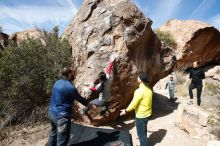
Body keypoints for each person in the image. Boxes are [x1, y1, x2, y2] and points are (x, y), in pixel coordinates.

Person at [46, 67, 88, 146]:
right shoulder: (70, 87)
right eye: (72, 73)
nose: (73, 74)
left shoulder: (57, 82)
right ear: (69, 74)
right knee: (62, 140)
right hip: (61, 117)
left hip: (51, 113)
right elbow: (80, 99)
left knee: (53, 133)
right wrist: (89, 104)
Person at [120, 73, 153, 146]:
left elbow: (133, 104)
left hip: (141, 115)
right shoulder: (149, 90)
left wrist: (125, 111)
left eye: (138, 77)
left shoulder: (139, 91)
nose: (137, 78)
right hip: (148, 114)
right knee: (143, 132)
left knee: (141, 134)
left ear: (140, 80)